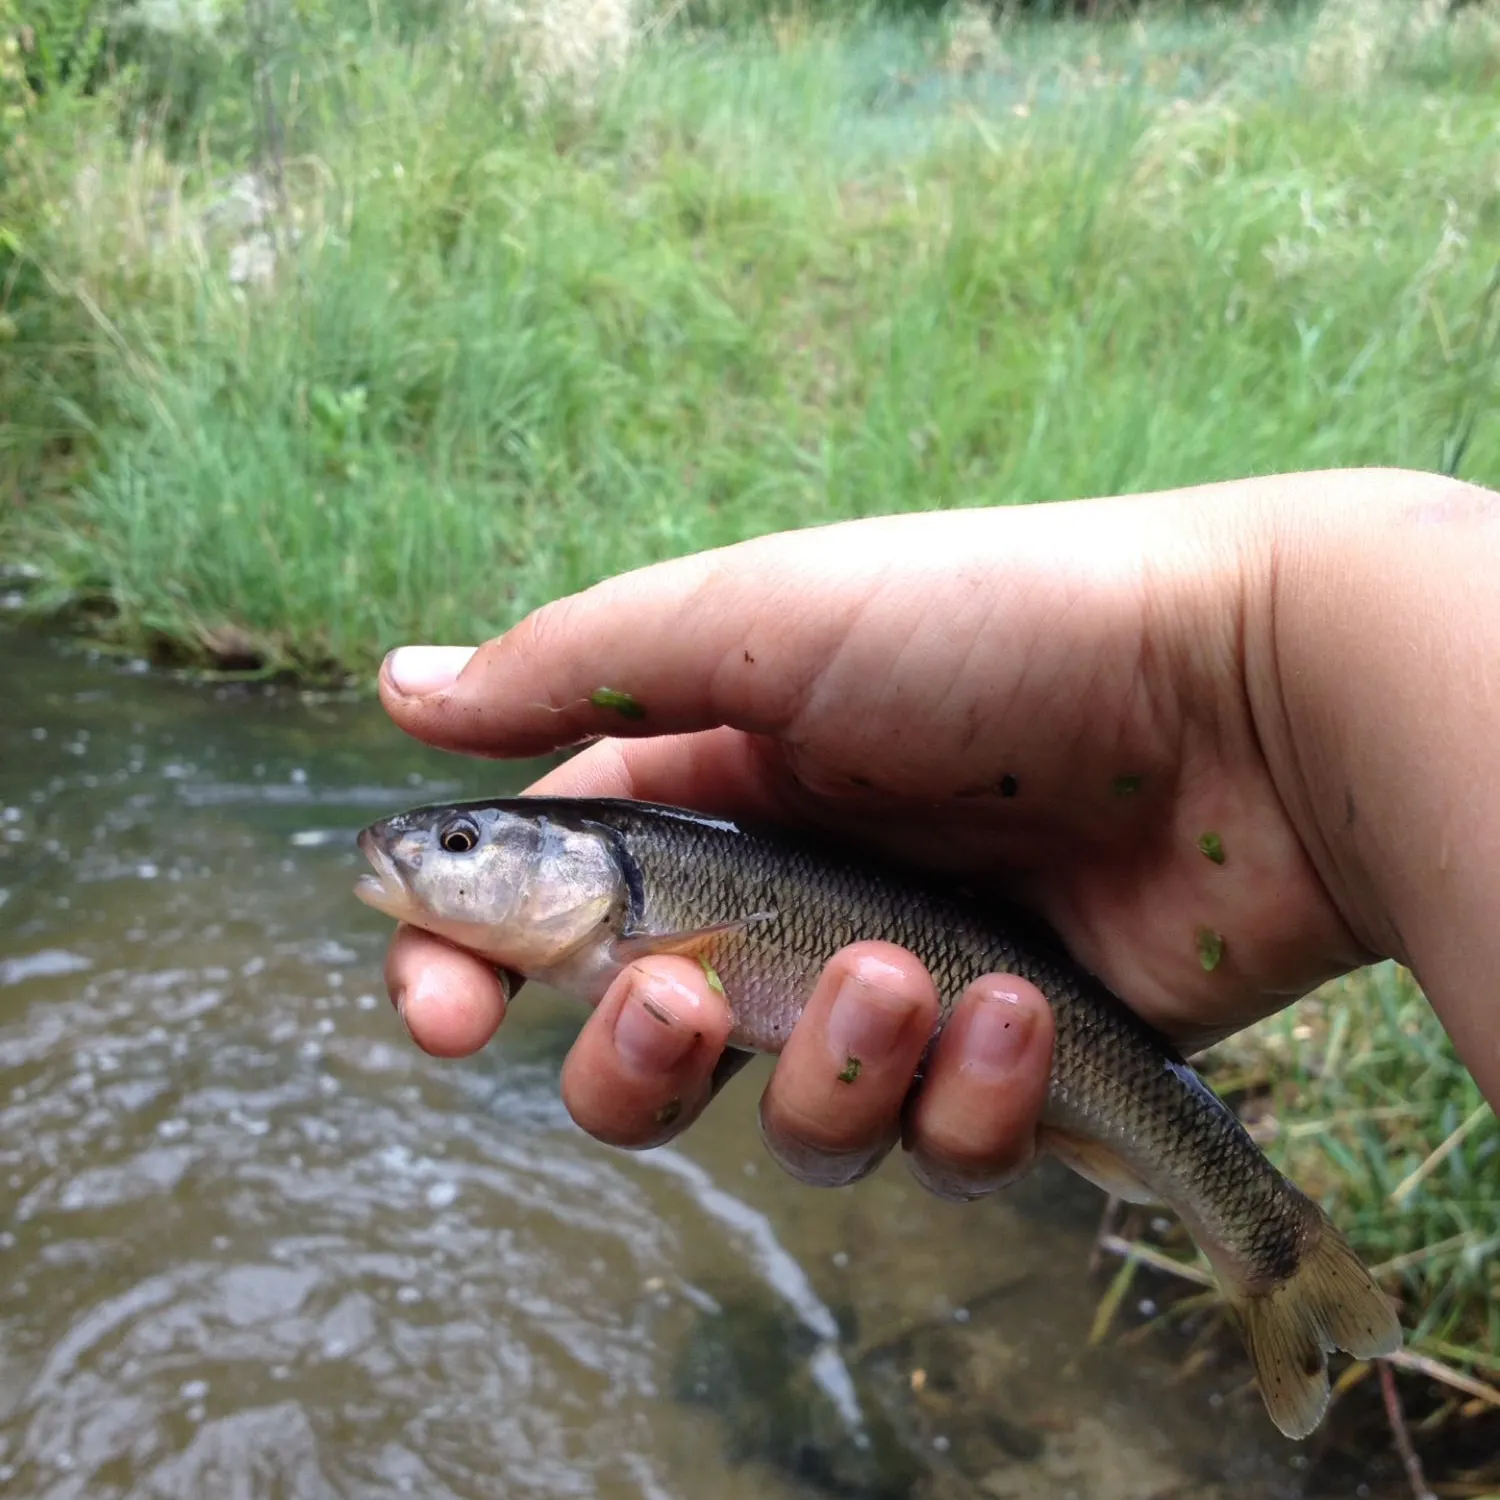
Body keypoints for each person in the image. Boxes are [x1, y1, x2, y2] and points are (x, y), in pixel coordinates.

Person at [371, 468, 1500, 1200]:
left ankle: (1266, 1238)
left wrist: (1263, 692)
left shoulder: (642, 896)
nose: (422, 856)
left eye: (461, 845)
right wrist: (1275, 706)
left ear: (582, 872)